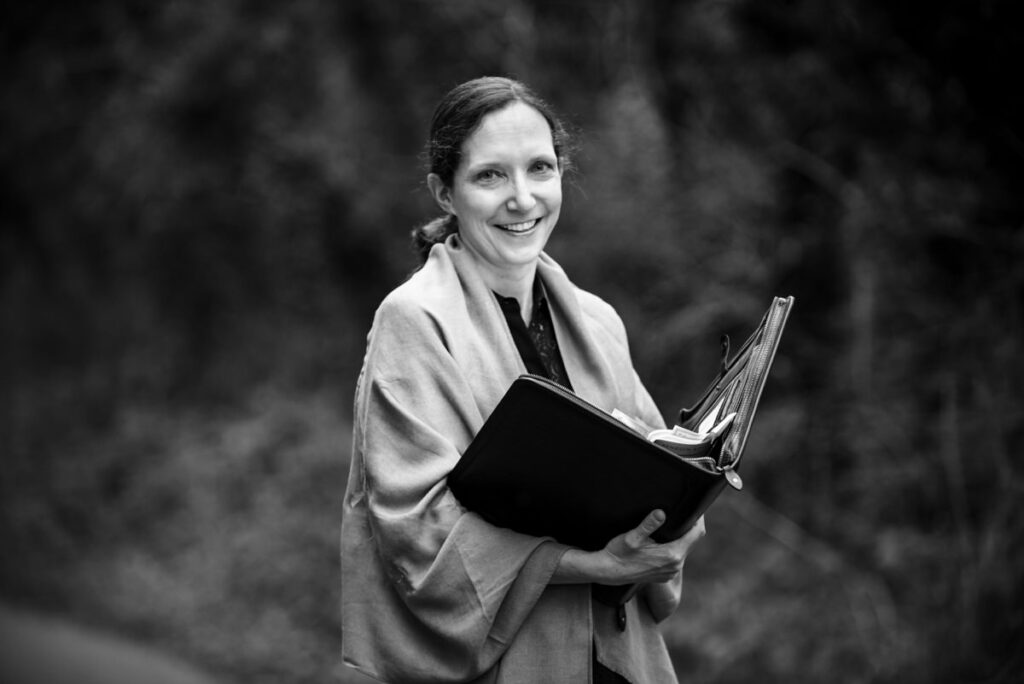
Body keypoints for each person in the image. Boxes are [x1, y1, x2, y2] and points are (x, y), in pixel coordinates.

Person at [340, 76, 706, 684]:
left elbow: (660, 473)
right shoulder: (415, 320)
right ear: (445, 192)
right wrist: (591, 565)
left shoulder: (598, 321)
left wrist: (683, 513)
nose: (522, 198)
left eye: (540, 168)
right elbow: (418, 532)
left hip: (620, 659)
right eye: (490, 176)